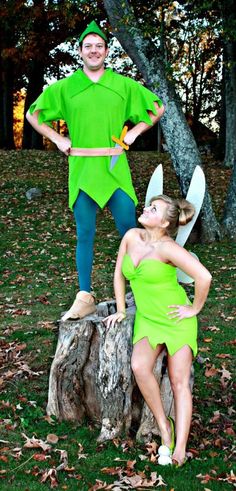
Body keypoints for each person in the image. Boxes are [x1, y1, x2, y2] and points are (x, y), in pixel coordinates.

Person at [26, 20, 165, 320]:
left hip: (115, 169)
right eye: (88, 46)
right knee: (85, 233)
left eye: (99, 46)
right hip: (83, 169)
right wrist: (58, 138)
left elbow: (157, 108)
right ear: (80, 51)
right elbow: (33, 114)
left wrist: (135, 132)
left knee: (132, 232)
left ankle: (142, 291)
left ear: (106, 51)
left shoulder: (122, 85)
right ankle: (84, 295)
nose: (93, 50)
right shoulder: (66, 88)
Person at [104, 194, 212, 466]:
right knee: (140, 367)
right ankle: (165, 427)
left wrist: (194, 309)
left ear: (164, 222)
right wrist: (119, 309)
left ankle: (179, 449)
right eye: (148, 206)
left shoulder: (168, 248)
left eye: (154, 209)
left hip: (176, 320)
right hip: (149, 319)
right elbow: (119, 273)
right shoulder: (131, 236)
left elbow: (204, 276)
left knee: (179, 381)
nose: (146, 209)